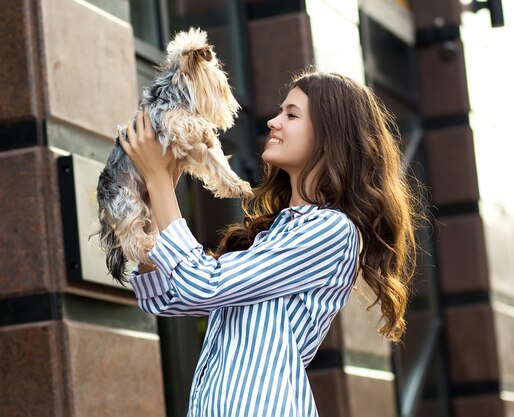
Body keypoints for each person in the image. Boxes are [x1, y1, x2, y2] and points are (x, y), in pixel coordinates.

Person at [118, 69, 419, 417]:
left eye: (291, 115)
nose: (274, 122)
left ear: (330, 135)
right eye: (280, 112)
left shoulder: (331, 230)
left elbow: (203, 284)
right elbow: (165, 298)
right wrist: (154, 194)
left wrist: (160, 182)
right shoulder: (276, 233)